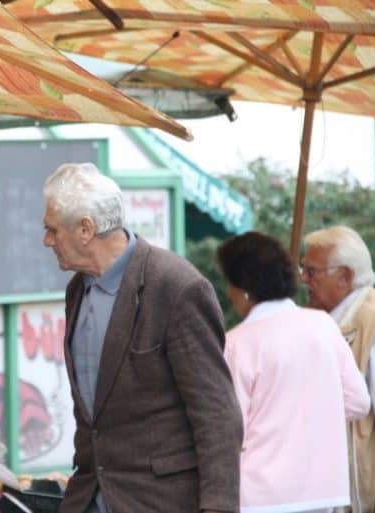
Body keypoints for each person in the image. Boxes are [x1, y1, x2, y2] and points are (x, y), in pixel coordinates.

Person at [41, 162, 243, 513]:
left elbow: (217, 414)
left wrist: (218, 506)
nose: (47, 241)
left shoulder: (176, 286)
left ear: (86, 229)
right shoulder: (78, 290)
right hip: (90, 496)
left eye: (52, 230)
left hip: (160, 501)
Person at [218, 231, 370, 513]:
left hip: (258, 495)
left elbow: (229, 427)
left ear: (244, 287)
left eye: (230, 283)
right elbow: (359, 403)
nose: (228, 293)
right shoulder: (323, 326)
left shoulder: (237, 343)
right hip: (324, 491)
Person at [301, 226, 375, 513]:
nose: (303, 280)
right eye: (302, 270)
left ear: (344, 276)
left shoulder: (371, 321)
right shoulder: (321, 318)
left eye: (312, 271)